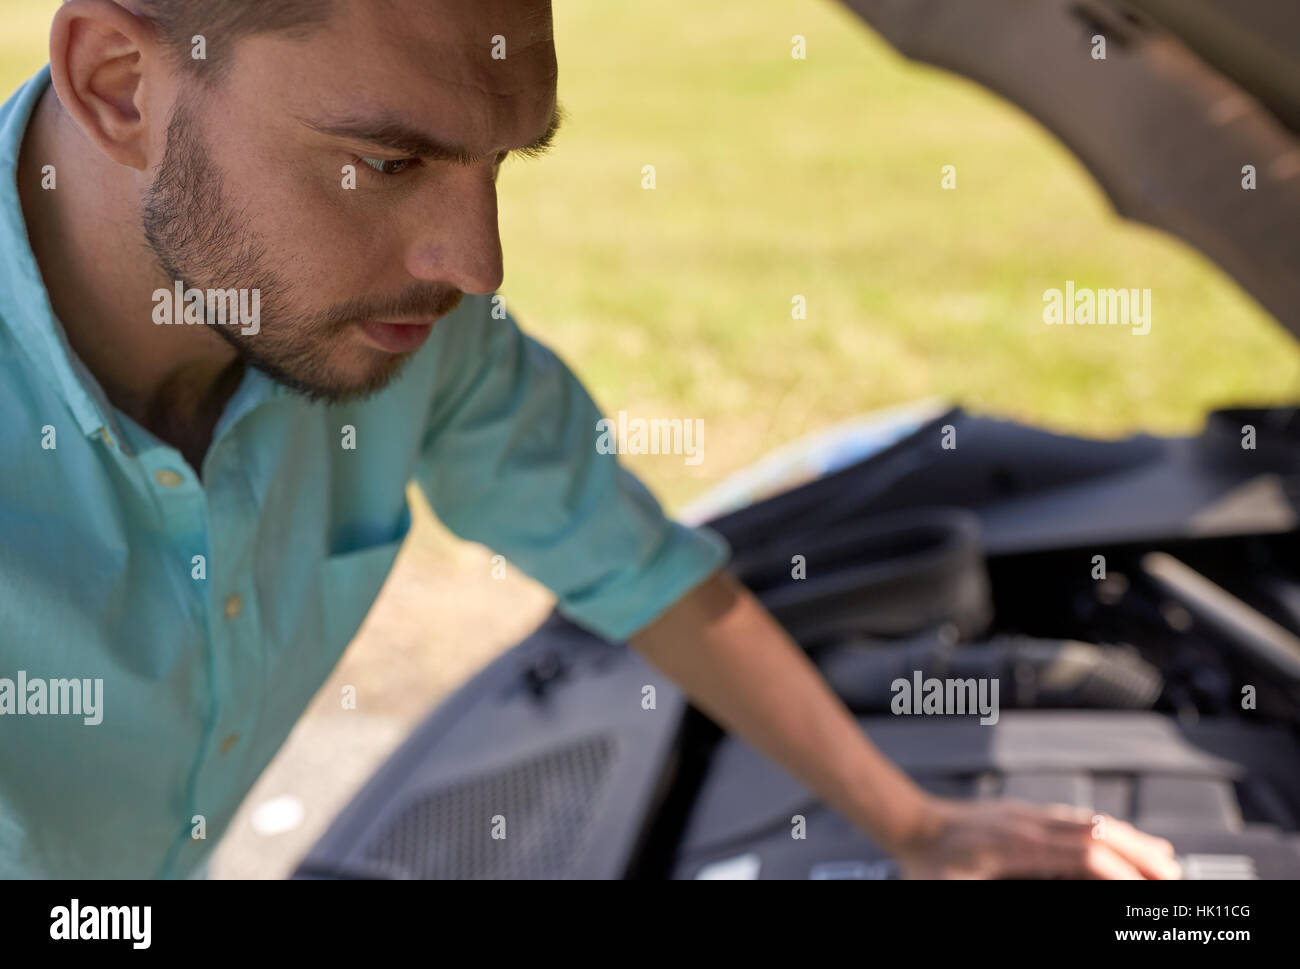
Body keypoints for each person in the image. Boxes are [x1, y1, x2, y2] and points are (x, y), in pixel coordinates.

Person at [0, 0, 1182, 879]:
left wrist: (916, 825)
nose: (476, 266)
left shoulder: (404, 333)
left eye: (501, 162)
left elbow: (639, 566)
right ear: (118, 84)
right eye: (389, 163)